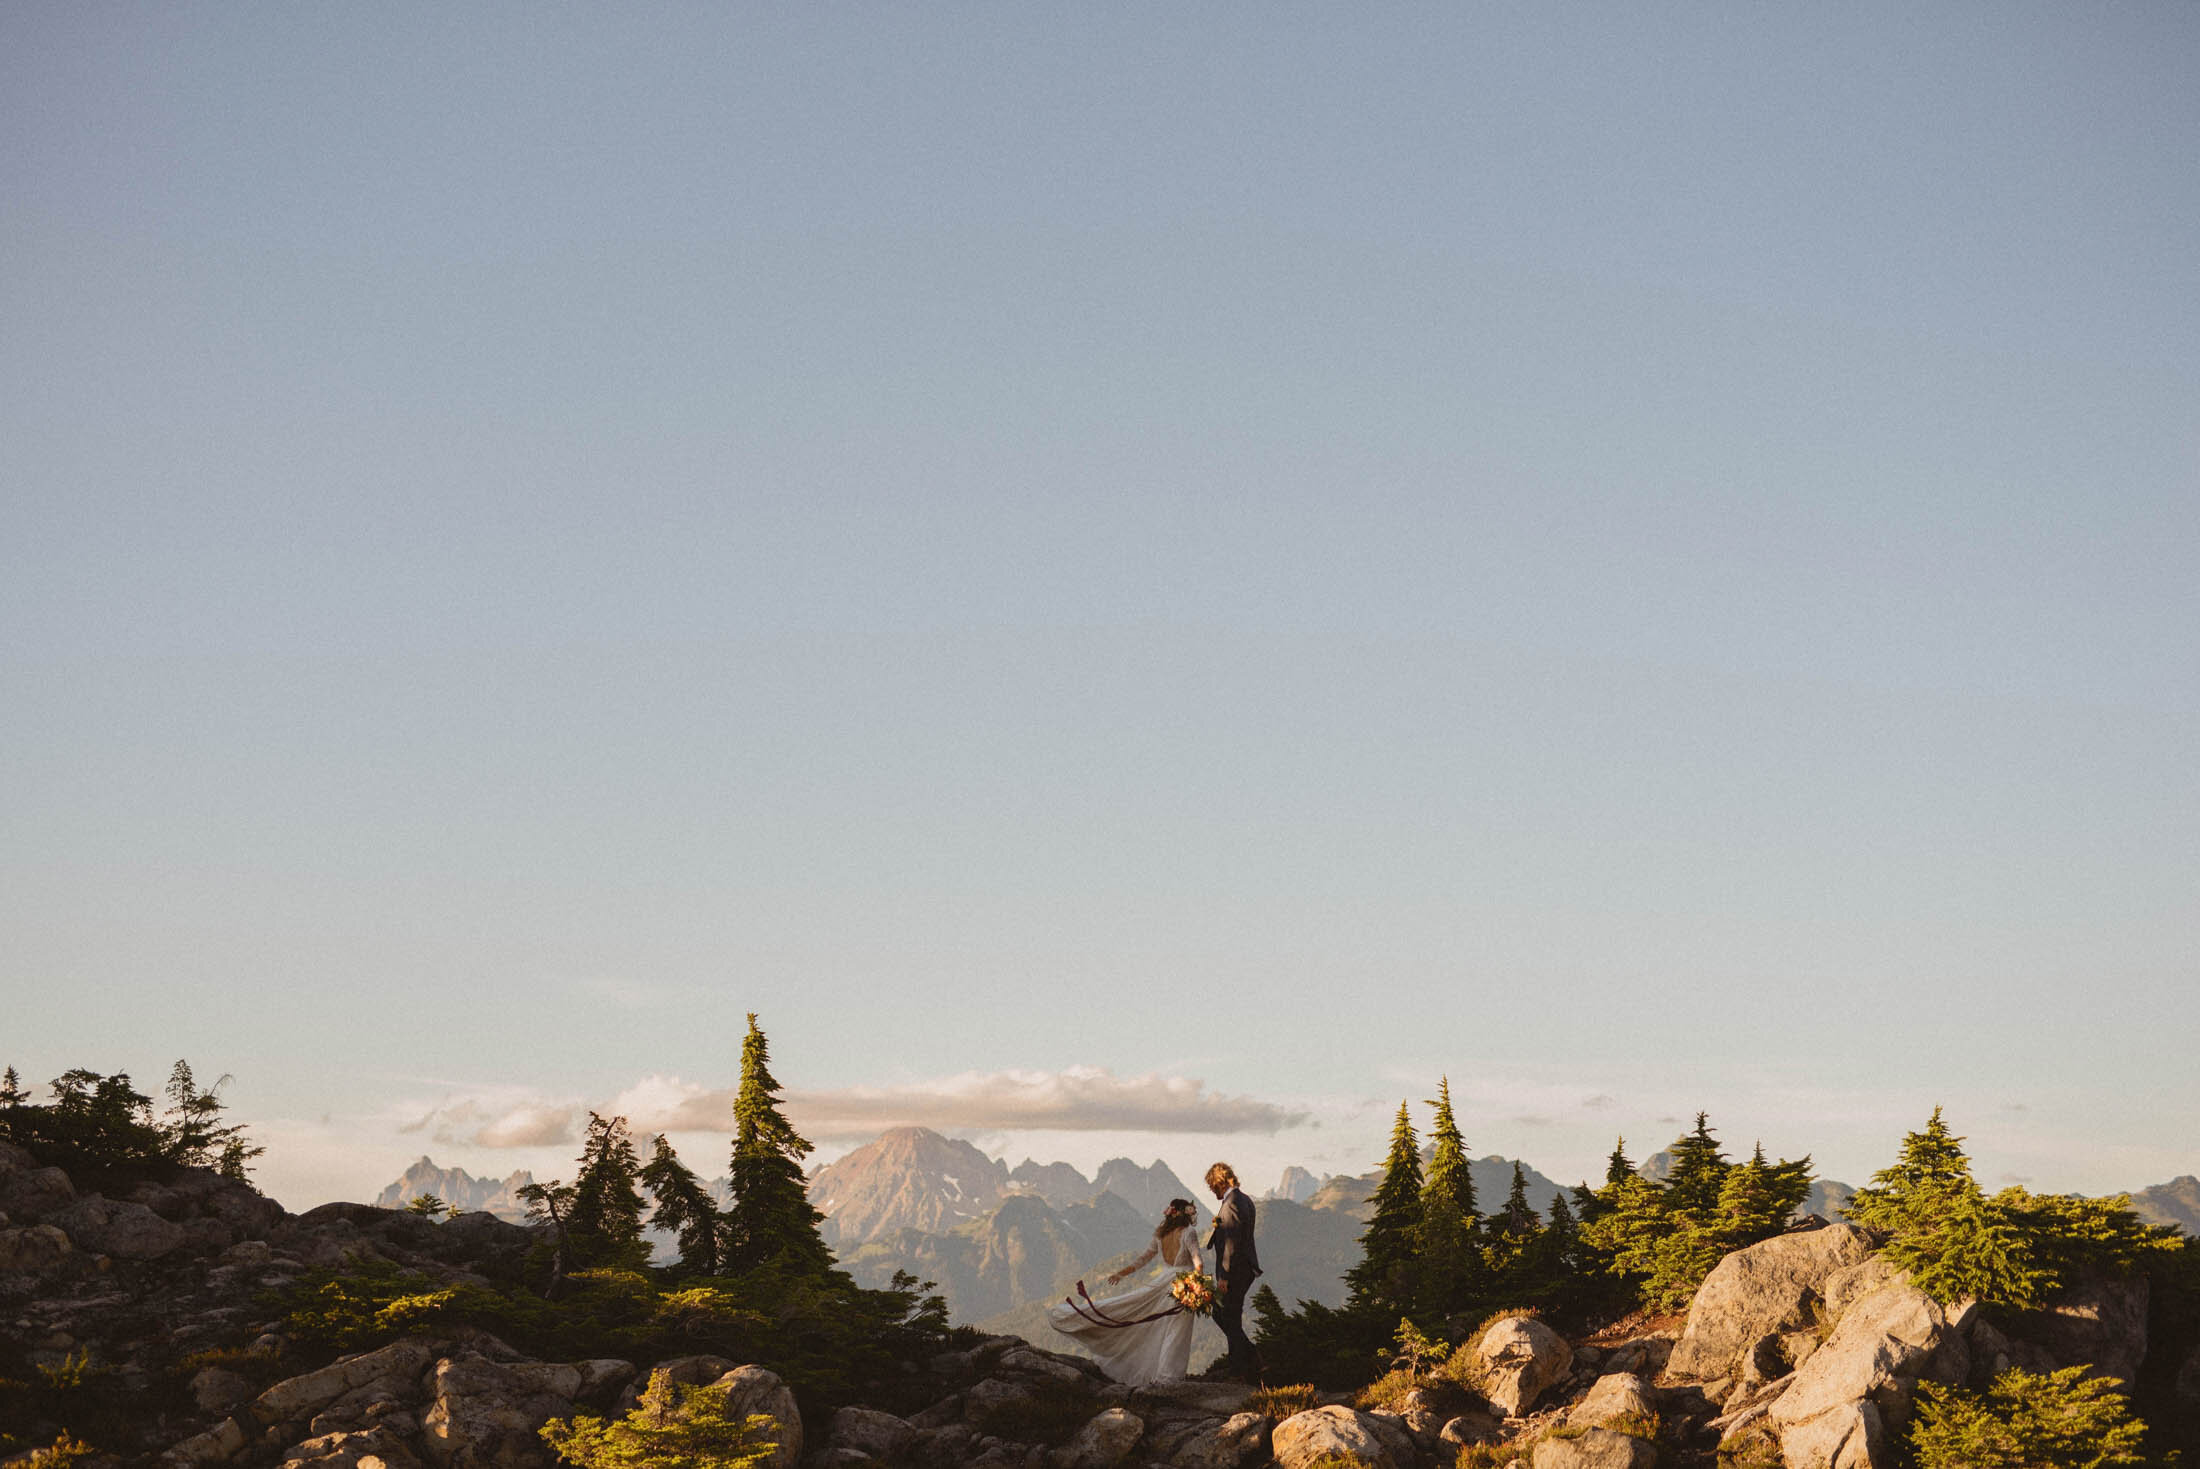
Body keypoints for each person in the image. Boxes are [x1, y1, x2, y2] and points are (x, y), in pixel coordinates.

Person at [1045, 1198, 1203, 1385]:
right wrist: (1198, 1285)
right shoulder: (1189, 1233)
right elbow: (1197, 1262)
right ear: (1184, 1213)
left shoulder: (1160, 1234)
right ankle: (1168, 1376)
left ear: (1171, 1213)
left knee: (1146, 1318)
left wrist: (1122, 1273)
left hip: (1163, 1282)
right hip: (1184, 1284)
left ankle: (1073, 1315)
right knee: (1176, 1330)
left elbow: (1144, 1258)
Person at [1203, 1161, 1262, 1381]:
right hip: (1243, 1268)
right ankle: (1241, 1363)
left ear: (1218, 1183)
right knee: (1229, 1315)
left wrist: (1224, 1276)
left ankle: (1247, 1360)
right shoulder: (1244, 1199)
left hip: (1236, 1270)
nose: (1211, 1191)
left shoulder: (1232, 1203)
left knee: (1224, 1313)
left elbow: (1231, 1243)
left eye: (1211, 1186)